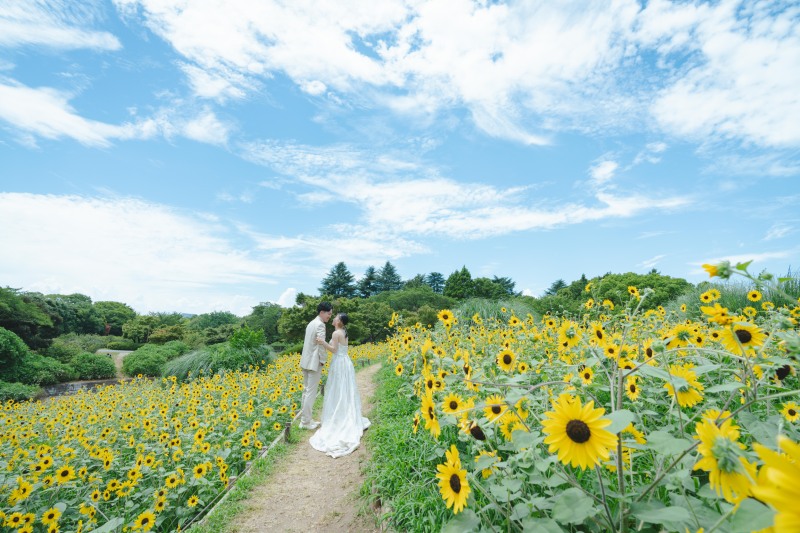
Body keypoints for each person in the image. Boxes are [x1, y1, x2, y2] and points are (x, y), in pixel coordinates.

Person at [309, 313, 371, 458]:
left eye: (336, 317)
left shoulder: (337, 333)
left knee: (338, 389)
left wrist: (322, 342)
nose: (334, 318)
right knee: (344, 389)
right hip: (346, 362)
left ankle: (339, 414)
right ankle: (343, 411)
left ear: (339, 321)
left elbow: (334, 350)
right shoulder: (343, 332)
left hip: (339, 362)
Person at [299, 301, 333, 430]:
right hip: (314, 362)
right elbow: (321, 345)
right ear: (322, 312)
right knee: (311, 392)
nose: (329, 317)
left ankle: (305, 420)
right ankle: (306, 422)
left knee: (306, 390)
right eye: (328, 314)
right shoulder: (320, 325)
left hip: (305, 361)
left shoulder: (311, 323)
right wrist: (323, 360)